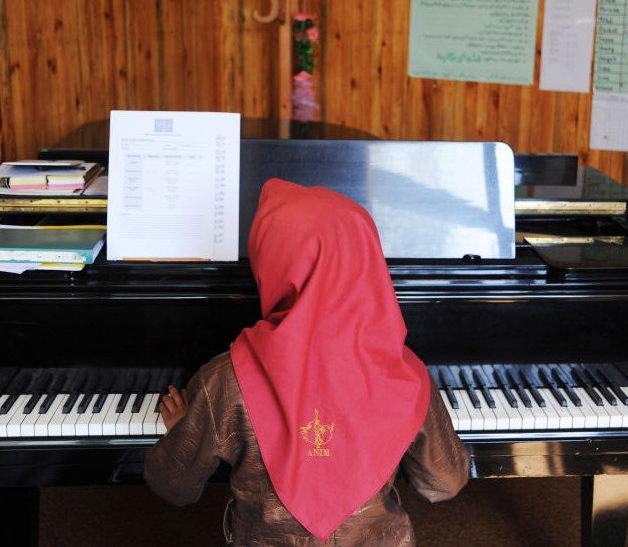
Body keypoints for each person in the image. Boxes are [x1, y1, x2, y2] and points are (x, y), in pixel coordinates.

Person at [144, 178, 470, 545]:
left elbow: (174, 486)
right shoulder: (403, 373)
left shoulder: (227, 378)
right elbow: (446, 483)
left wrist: (181, 432)